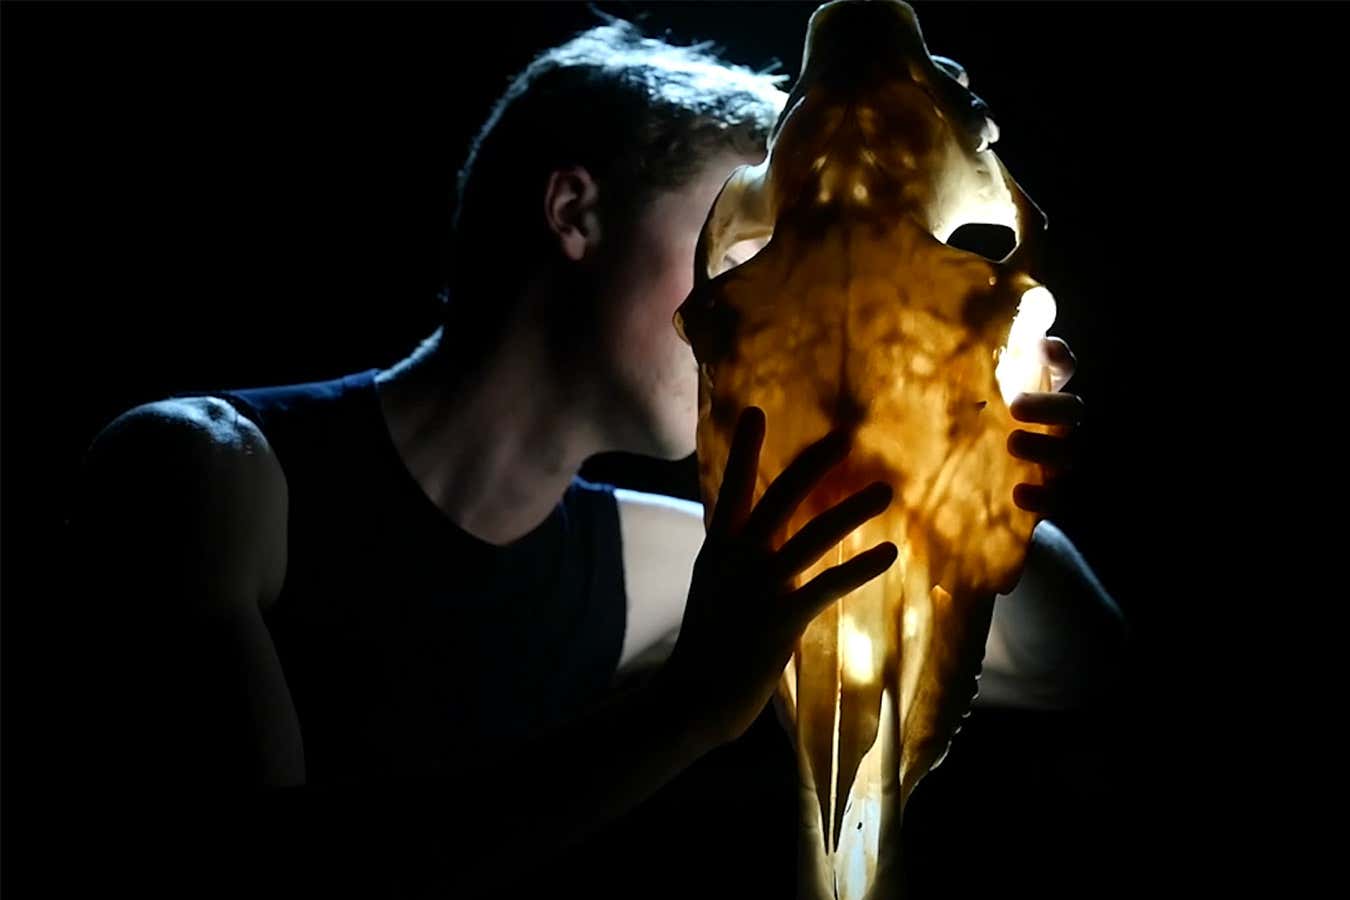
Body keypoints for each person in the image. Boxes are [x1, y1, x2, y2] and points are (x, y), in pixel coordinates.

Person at [66, 19, 1123, 898]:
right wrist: (684, 714)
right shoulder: (201, 474)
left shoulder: (643, 565)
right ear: (575, 214)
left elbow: (1084, 666)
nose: (786, 319)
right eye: (742, 246)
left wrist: (962, 466)